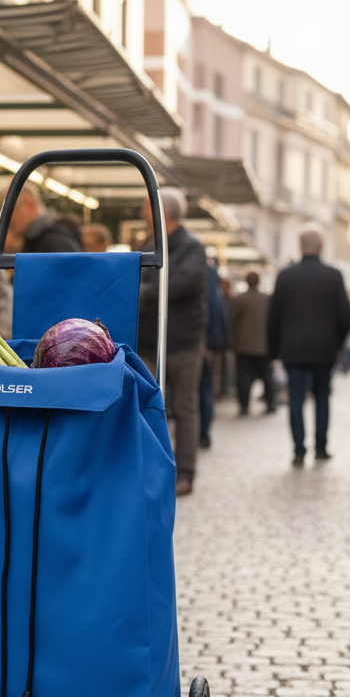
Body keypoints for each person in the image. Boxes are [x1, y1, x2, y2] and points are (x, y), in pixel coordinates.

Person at [138, 187, 207, 496]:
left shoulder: (192, 248)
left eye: (146, 208)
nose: (143, 215)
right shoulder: (148, 245)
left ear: (160, 212)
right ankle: (152, 467)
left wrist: (143, 294)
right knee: (150, 405)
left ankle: (186, 473)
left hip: (183, 341)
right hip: (150, 341)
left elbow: (177, 285)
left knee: (184, 407)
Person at [267, 226, 350, 467]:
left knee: (296, 399)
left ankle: (298, 450)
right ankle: (321, 447)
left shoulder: (285, 276)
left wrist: (274, 351)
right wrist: (338, 343)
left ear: (299, 247)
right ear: (320, 247)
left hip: (293, 348)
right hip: (325, 348)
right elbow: (344, 315)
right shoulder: (334, 276)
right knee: (322, 397)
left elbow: (273, 317)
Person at [230, 270, 276, 415]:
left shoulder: (239, 299)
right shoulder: (266, 299)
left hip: (243, 345)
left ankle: (244, 405)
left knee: (243, 378)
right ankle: (271, 403)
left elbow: (233, 321)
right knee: (266, 376)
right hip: (263, 345)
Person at [199, 259, 229, 448]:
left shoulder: (206, 275)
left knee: (200, 390)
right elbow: (218, 312)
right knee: (204, 388)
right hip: (205, 343)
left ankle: (203, 433)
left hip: (198, 343)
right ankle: (204, 433)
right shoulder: (211, 278)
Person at [8, 181, 83, 252]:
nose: (9, 220)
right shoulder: (37, 240)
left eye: (12, 211)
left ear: (29, 204)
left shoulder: (54, 242)